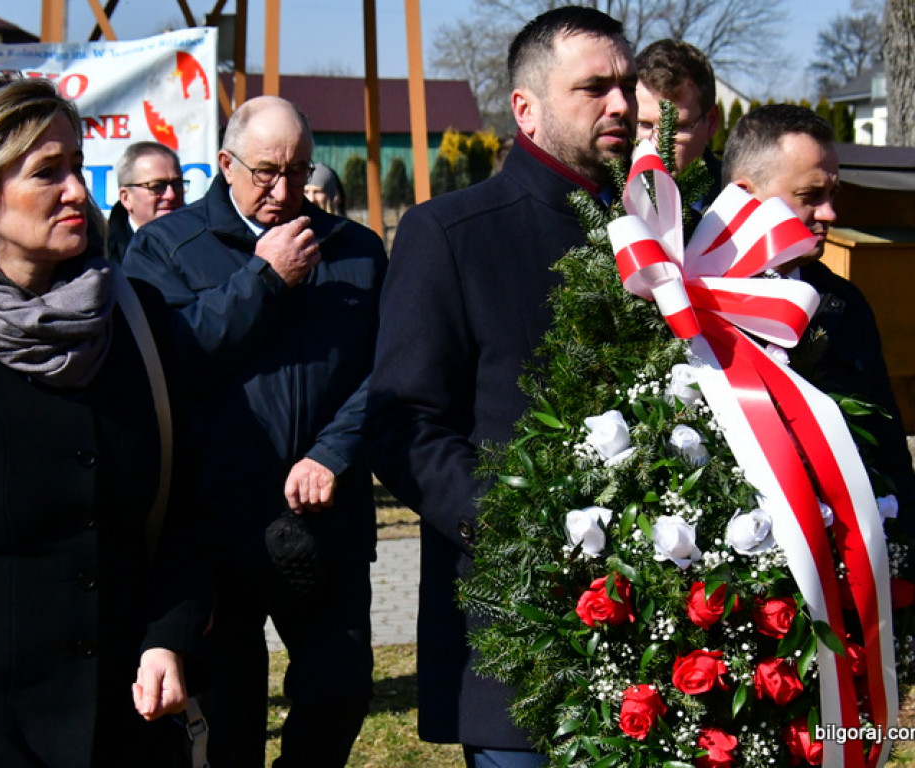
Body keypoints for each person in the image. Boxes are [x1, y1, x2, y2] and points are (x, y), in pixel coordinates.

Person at [0, 76, 212, 767]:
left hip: (124, 723)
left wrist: (168, 637)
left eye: (77, 165)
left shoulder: (138, 322)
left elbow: (186, 511)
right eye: (47, 172)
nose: (76, 191)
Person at [365, 7, 636, 767]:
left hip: (668, 639)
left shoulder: (662, 234)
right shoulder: (452, 233)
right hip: (521, 642)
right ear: (527, 108)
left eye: (627, 85)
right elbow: (404, 424)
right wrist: (525, 533)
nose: (622, 104)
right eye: (594, 88)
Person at [122, 95, 387, 767]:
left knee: (340, 692)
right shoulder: (166, 246)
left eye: (299, 171)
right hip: (216, 528)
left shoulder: (355, 250)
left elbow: (388, 368)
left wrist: (333, 451)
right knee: (230, 721)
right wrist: (263, 279)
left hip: (327, 519)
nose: (284, 190)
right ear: (225, 164)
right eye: (266, 172)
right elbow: (167, 362)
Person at [723, 103, 915, 528]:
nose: (829, 214)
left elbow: (887, 449)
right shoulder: (690, 297)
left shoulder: (844, 304)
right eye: (810, 196)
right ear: (746, 196)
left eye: (833, 195)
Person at [635, 39, 722, 208]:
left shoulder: (740, 208)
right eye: (644, 125)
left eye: (676, 128)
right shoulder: (598, 198)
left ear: (711, 121)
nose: (658, 145)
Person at [107, 141, 186, 262]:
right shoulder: (104, 254)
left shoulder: (204, 242)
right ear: (126, 198)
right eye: (157, 186)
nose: (171, 195)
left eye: (177, 184)